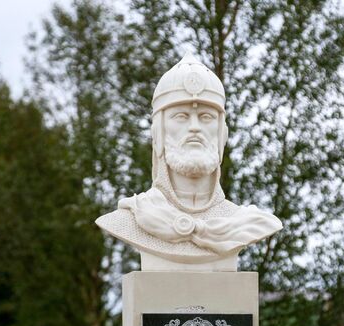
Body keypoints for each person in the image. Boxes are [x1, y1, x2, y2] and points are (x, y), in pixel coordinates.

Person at [96, 54, 281, 267]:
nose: (194, 127)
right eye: (181, 117)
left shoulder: (248, 224)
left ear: (222, 135)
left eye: (206, 117)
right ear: (158, 134)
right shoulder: (132, 218)